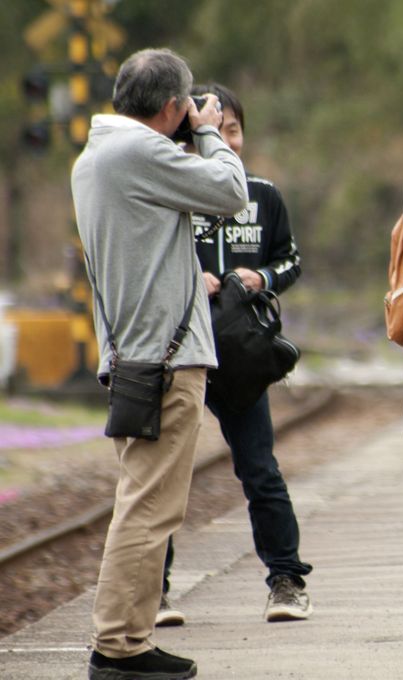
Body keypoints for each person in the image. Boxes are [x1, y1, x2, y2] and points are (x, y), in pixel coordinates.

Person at [71, 48, 248, 680]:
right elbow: (231, 193)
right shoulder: (139, 153)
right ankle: (119, 647)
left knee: (143, 505)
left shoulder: (96, 156)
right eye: (187, 107)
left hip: (136, 354)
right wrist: (207, 131)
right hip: (165, 360)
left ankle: (130, 641)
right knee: (149, 510)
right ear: (172, 107)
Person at [156, 82, 312, 627]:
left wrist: (262, 276)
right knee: (166, 474)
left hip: (242, 355)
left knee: (260, 469)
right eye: (209, 132)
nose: (225, 141)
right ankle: (156, 593)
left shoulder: (263, 195)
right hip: (180, 350)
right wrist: (185, 278)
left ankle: (287, 581)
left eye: (232, 130)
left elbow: (291, 260)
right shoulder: (166, 195)